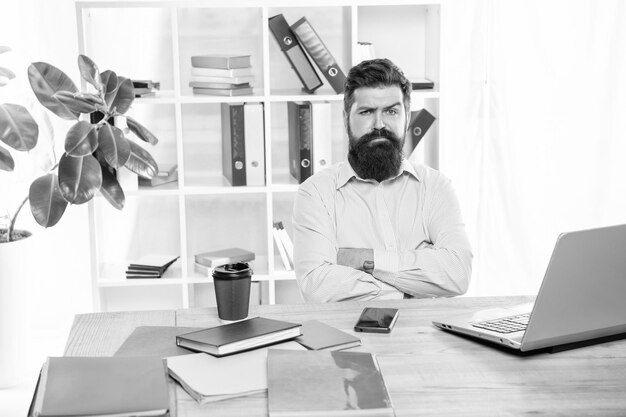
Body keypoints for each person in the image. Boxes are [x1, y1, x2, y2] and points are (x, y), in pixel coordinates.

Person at [292, 58, 473, 302]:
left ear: (407, 115)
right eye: (366, 112)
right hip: (351, 337)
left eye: (391, 111)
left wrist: (363, 259)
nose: (379, 125)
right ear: (346, 116)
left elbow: (458, 274)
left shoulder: (436, 187)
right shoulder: (316, 194)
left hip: (423, 336)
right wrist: (413, 286)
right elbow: (317, 287)